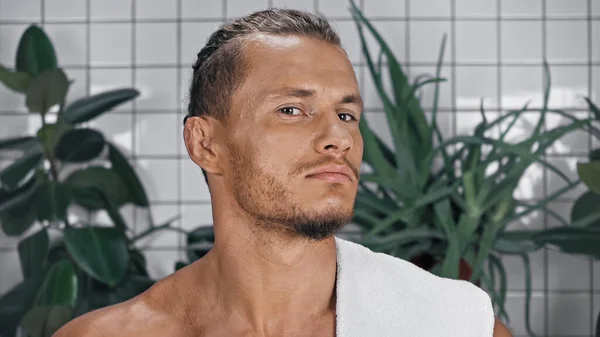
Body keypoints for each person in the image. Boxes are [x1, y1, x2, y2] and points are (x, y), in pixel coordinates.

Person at [54, 8, 513, 337]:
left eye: (348, 115)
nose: (340, 138)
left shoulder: (452, 322)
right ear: (205, 144)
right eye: (293, 109)